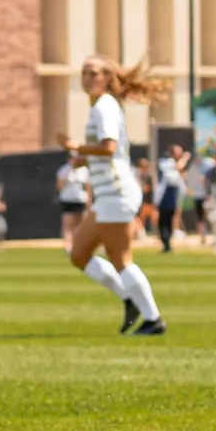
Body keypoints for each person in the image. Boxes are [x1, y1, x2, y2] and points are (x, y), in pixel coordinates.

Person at [59, 56, 170, 335]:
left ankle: (153, 319)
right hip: (107, 195)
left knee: (121, 259)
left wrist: (77, 147)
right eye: (84, 73)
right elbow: (111, 152)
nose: (87, 78)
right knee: (79, 254)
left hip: (116, 192)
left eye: (94, 73)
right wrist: (83, 160)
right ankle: (130, 300)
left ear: (108, 78)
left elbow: (109, 148)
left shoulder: (104, 106)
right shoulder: (101, 106)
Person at [154, 144, 188, 253]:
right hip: (164, 197)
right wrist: (185, 159)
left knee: (169, 221)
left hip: (173, 197)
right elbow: (175, 169)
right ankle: (165, 243)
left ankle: (167, 243)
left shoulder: (173, 167)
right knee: (163, 221)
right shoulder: (166, 162)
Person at [56, 153, 89, 252]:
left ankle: (78, 245)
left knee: (80, 224)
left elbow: (88, 187)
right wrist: (68, 176)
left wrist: (89, 200)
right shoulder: (64, 170)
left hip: (81, 200)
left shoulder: (84, 171)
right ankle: (68, 246)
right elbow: (59, 186)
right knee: (68, 223)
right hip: (68, 200)